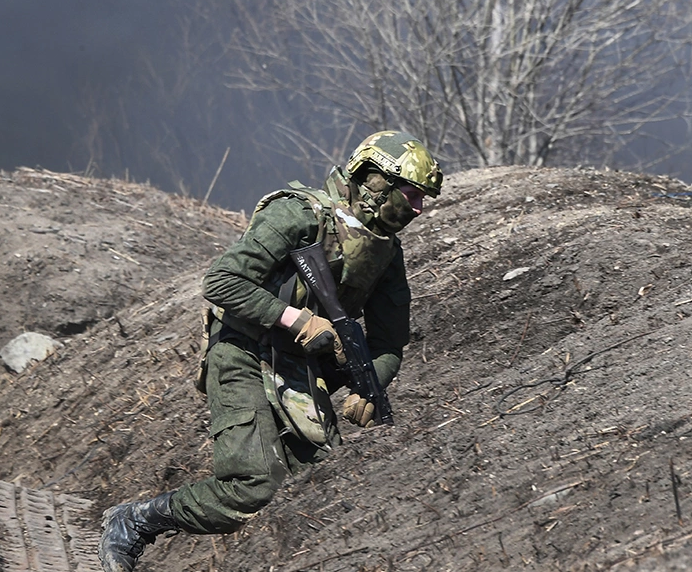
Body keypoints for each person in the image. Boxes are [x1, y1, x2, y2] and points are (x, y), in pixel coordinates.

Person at [98, 131, 443, 572]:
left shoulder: (386, 254)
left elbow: (389, 343)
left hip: (299, 368)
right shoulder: (298, 214)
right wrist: (296, 319)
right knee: (253, 486)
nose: (418, 208)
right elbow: (221, 282)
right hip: (242, 350)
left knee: (329, 484)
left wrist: (370, 384)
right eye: (412, 195)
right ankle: (136, 521)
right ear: (376, 182)